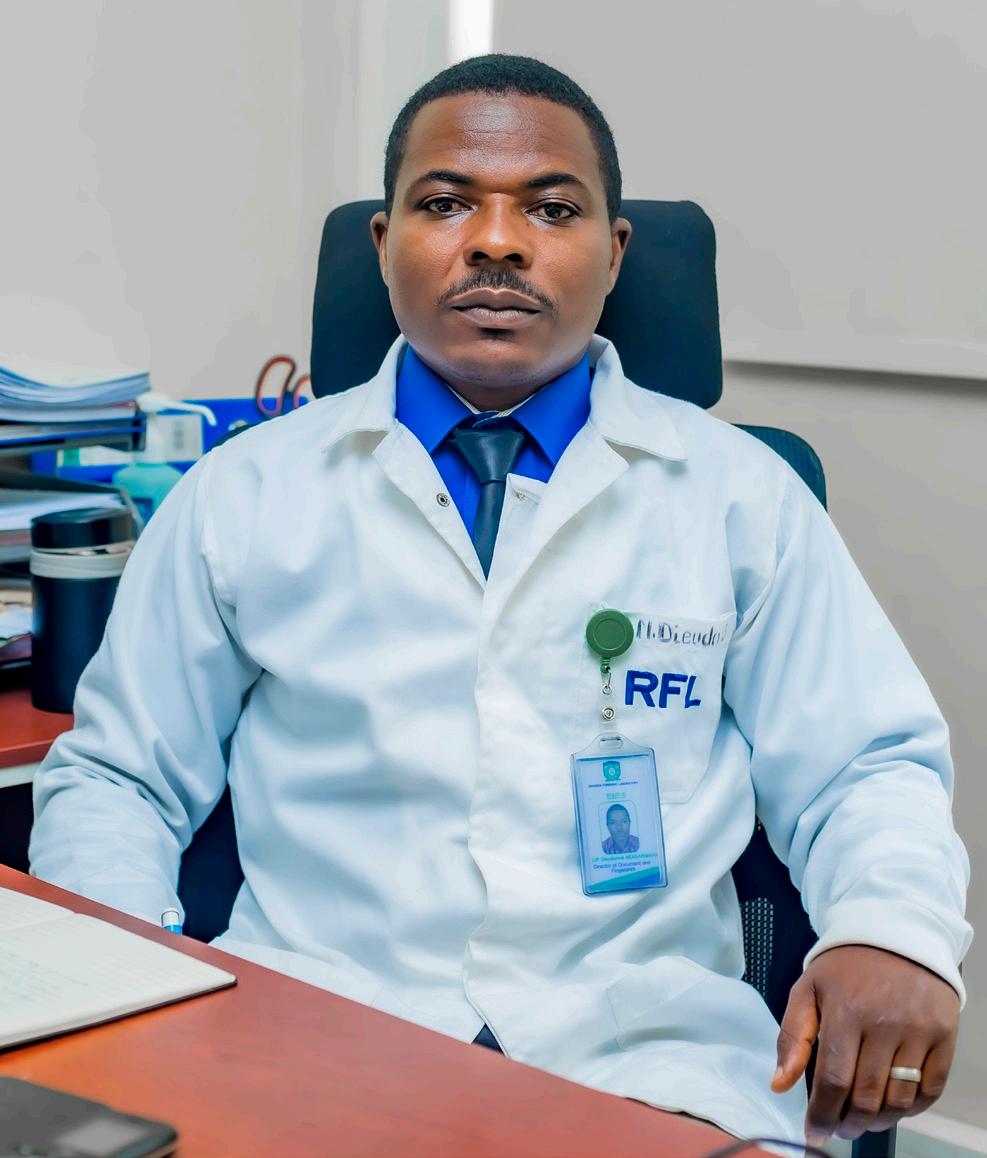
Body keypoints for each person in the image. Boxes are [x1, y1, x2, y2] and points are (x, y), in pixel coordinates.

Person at [30, 54, 970, 1149]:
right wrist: (133, 990)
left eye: (551, 208)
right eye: (444, 203)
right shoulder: (243, 492)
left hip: (646, 1051)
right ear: (383, 242)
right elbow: (120, 778)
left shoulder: (737, 496)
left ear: (613, 253)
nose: (496, 242)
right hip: (309, 1028)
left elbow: (864, 764)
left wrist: (890, 931)